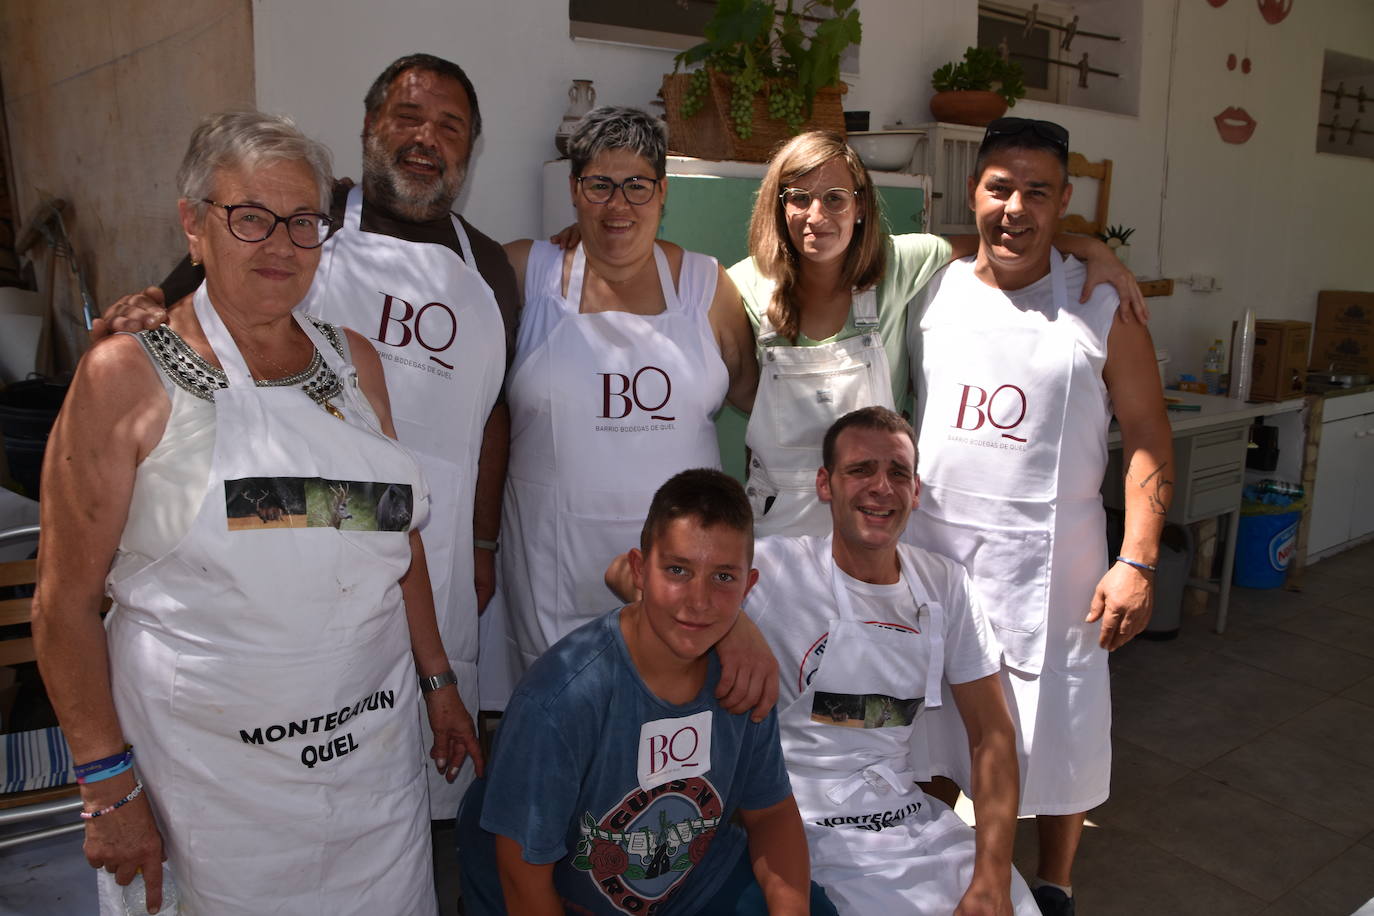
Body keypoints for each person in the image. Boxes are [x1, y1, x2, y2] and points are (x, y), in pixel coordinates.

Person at [32, 110, 481, 914]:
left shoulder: (355, 362)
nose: (279, 245)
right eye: (250, 218)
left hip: (372, 779)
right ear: (194, 226)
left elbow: (390, 532)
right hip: (210, 795)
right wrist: (105, 785)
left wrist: (438, 679)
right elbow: (61, 603)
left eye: (302, 222)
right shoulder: (125, 379)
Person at [97, 53, 516, 815]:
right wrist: (149, 302)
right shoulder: (306, 219)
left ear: (470, 149)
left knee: (406, 762)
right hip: (283, 534)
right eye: (408, 118)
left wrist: (484, 542)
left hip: (434, 545)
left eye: (449, 127)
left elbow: (495, 412)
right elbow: (192, 298)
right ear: (369, 127)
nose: (427, 138)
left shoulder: (488, 264)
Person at [609, 407, 1040, 916]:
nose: (881, 486)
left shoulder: (945, 585)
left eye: (898, 473)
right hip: (799, 820)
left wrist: (990, 877)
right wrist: (737, 627)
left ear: (915, 492)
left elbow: (992, 734)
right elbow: (623, 573)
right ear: (825, 485)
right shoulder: (777, 567)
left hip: (907, 814)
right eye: (860, 470)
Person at [905, 117, 1173, 916]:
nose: (1015, 207)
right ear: (973, 193)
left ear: (1063, 204)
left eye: (1038, 192)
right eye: (999, 188)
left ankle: (1054, 882)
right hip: (941, 558)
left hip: (1060, 569)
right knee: (937, 722)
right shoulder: (933, 286)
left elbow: (1149, 434)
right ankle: (937, 860)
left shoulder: (1100, 304)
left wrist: (1140, 560)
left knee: (1064, 724)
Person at [728, 130, 1145, 537]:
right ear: (779, 207)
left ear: (860, 207)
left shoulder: (897, 264)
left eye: (834, 198)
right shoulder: (741, 286)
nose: (816, 216)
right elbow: (743, 391)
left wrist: (1093, 249)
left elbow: (998, 240)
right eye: (799, 198)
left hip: (870, 526)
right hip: (777, 527)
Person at [457, 469, 833, 916]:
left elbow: (770, 814)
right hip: (561, 894)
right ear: (639, 570)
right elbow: (523, 880)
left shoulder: (742, 678)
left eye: (723, 578)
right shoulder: (562, 699)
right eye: (678, 570)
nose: (698, 600)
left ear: (749, 587)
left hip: (693, 880)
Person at [498, 106, 758, 680]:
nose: (618, 205)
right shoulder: (526, 273)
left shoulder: (705, 286)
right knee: (562, 734)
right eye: (600, 186)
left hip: (683, 590)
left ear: (663, 193)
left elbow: (757, 396)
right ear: (573, 191)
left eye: (637, 185)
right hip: (551, 576)